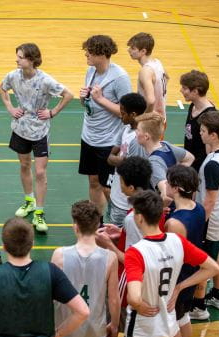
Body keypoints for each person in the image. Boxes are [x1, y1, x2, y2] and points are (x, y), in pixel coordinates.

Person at [0, 217, 90, 337]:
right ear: (32, 244)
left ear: (4, 247)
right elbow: (82, 311)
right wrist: (59, 334)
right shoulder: (50, 271)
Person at [124, 190, 219, 337]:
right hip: (168, 326)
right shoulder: (177, 241)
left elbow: (135, 298)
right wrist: (180, 287)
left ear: (140, 218)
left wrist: (137, 303)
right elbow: (213, 268)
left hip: (142, 331)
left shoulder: (135, 253)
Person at [0, 43, 74, 232]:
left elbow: (68, 94)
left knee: (40, 172)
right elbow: (1, 89)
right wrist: (10, 108)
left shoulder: (45, 80)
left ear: (32, 60)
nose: (17, 59)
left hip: (40, 132)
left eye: (21, 57)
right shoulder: (13, 76)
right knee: (24, 165)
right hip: (20, 129)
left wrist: (53, 112)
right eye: (17, 56)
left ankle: (39, 213)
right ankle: (29, 201)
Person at [95, 156, 153, 333]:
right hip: (149, 276)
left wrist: (109, 245)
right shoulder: (152, 203)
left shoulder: (132, 218)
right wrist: (121, 233)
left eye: (121, 181)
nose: (119, 185)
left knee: (116, 321)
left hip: (128, 279)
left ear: (131, 187)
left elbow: (131, 260)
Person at [79, 35, 132, 226]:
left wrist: (101, 99)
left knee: (108, 188)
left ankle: (120, 223)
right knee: (93, 181)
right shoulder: (91, 71)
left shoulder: (120, 78)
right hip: (89, 136)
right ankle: (98, 224)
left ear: (102, 54)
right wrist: (83, 98)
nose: (86, 54)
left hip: (108, 141)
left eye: (90, 52)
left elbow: (127, 112)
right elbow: (89, 103)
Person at [52, 200, 120, 337]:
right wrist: (114, 326)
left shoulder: (59, 255)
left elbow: (50, 296)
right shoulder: (110, 258)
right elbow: (114, 299)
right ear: (97, 226)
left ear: (75, 227)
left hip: (65, 329)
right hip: (95, 329)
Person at [190, 111, 219, 320]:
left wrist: (199, 224)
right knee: (218, 255)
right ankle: (218, 296)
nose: (200, 133)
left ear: (214, 135)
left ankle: (198, 307)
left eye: (203, 131)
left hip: (212, 220)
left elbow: (209, 200)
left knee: (204, 261)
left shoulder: (213, 165)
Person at [165, 165, 206, 337]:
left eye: (168, 182)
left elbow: (169, 256)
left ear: (175, 188)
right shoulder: (198, 208)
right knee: (183, 317)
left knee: (172, 325)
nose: (165, 184)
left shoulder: (174, 223)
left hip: (178, 279)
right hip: (192, 273)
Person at [135, 113, 194, 206]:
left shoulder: (154, 163)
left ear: (146, 137)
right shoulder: (165, 145)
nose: (135, 133)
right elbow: (189, 158)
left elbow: (166, 194)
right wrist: (176, 177)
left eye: (138, 130)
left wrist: (160, 209)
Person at [107, 93, 148, 226]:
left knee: (118, 239)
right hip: (115, 196)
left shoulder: (137, 139)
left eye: (123, 113)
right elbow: (110, 157)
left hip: (125, 204)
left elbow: (132, 170)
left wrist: (119, 160)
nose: (120, 115)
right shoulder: (125, 128)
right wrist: (121, 160)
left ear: (134, 114)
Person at [180, 70, 217, 171]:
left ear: (195, 91)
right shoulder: (193, 106)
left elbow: (210, 151)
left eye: (184, 88)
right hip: (190, 162)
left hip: (199, 169)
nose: (181, 90)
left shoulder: (209, 116)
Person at [127, 33, 169, 120]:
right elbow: (167, 77)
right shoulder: (157, 62)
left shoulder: (146, 71)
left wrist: (143, 117)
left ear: (143, 51)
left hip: (150, 124)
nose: (129, 50)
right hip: (161, 118)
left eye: (133, 48)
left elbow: (150, 100)